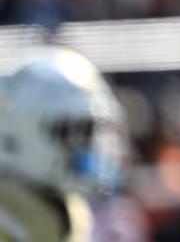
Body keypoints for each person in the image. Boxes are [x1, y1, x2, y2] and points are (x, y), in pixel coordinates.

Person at [0, 47, 128, 242]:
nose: (89, 145)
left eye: (91, 131)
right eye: (71, 131)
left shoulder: (68, 210)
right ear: (14, 134)